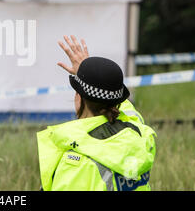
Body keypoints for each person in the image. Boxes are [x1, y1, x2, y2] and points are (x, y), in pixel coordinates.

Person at [37, 35, 156, 191]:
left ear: (78, 98)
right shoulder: (138, 133)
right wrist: (94, 76)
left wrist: (89, 74)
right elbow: (126, 110)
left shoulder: (76, 161)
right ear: (116, 101)